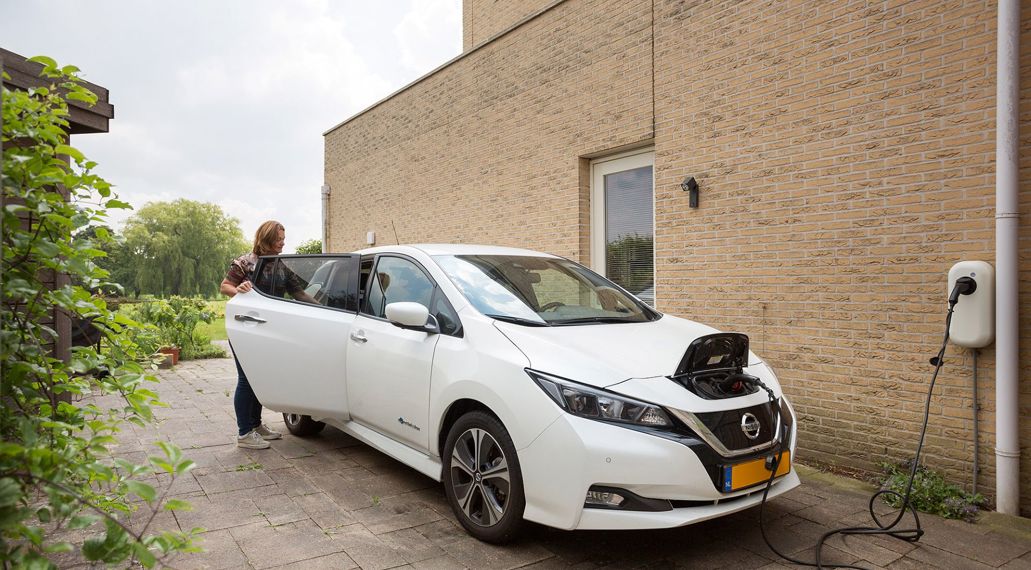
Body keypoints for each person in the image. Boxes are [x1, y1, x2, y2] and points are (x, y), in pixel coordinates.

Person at [220, 220, 315, 449]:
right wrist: (239, 289)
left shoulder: (280, 265)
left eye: (284, 238)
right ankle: (244, 433)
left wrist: (322, 307)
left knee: (259, 377)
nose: (283, 242)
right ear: (266, 238)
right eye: (279, 239)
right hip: (246, 327)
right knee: (247, 379)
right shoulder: (246, 262)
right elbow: (225, 286)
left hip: (270, 328)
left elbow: (298, 293)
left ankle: (255, 425)